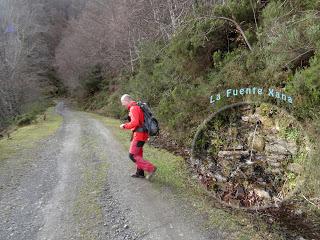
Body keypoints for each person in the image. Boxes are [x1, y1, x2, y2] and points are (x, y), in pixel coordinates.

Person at [120, 94, 157, 179]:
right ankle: (140, 173)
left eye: (123, 102)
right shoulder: (137, 106)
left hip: (139, 135)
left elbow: (135, 123)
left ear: (127, 100)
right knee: (138, 154)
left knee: (132, 155)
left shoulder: (133, 108)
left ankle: (151, 168)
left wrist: (124, 126)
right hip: (142, 134)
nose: (123, 104)